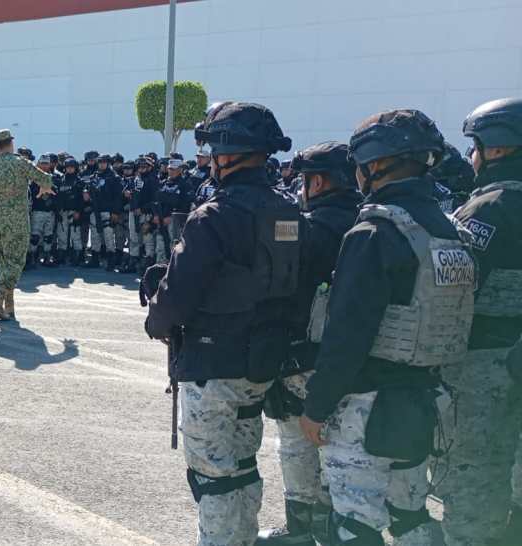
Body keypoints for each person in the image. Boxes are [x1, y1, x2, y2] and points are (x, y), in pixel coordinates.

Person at [300, 109, 473, 545]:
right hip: (424, 399)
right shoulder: (450, 230)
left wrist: (317, 407)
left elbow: (347, 333)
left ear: (373, 164)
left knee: (354, 527)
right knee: (410, 516)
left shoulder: (376, 231)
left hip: (366, 404)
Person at [145, 102, 298, 546]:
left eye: (213, 150)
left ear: (227, 154)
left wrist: (155, 321)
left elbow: (176, 297)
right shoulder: (287, 211)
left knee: (212, 476)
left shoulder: (214, 215)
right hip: (263, 363)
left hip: (214, 364)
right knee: (243, 464)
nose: (210, 159)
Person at [256, 142, 361, 546]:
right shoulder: (370, 220)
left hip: (304, 358)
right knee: (342, 451)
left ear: (316, 182)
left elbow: (280, 292)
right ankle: (330, 528)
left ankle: (302, 530)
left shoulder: (308, 228)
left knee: (298, 444)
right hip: (355, 360)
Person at [439, 98, 522, 546]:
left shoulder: (489, 208)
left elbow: (455, 288)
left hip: (488, 365)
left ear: (495, 149)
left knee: (474, 474)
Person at [0, 129, 52, 321]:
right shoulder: (20, 162)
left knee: (4, 263)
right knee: (16, 263)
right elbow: (44, 177)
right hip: (16, 221)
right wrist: (44, 188)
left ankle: (8, 308)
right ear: (10, 143)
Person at [83, 155, 123, 271]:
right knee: (95, 235)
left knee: (108, 236)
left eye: (104, 162)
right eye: (100, 162)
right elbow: (87, 187)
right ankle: (95, 259)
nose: (102, 164)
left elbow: (118, 197)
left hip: (107, 210)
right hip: (95, 210)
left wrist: (115, 212)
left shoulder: (114, 177)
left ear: (108, 163)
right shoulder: (94, 176)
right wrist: (85, 191)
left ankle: (111, 261)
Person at [151, 159, 194, 263]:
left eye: (174, 169)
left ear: (180, 170)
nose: (171, 171)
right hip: (161, 219)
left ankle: (173, 270)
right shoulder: (163, 183)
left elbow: (186, 205)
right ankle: (159, 268)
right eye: (170, 169)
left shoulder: (185, 185)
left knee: (174, 247)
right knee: (160, 246)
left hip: (175, 222)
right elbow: (156, 200)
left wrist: (172, 217)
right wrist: (156, 214)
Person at [125, 156, 159, 272]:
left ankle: (149, 264)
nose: (142, 168)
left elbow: (155, 199)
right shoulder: (135, 179)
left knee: (147, 238)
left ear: (150, 167)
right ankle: (133, 261)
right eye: (140, 166)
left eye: (145, 166)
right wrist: (127, 193)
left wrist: (143, 209)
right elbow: (127, 190)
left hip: (146, 213)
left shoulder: (153, 180)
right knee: (133, 237)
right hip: (133, 212)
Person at [53, 157, 84, 267]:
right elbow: (57, 197)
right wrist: (58, 210)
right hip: (63, 211)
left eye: (72, 167)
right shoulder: (60, 180)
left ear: (75, 168)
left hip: (74, 211)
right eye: (68, 167)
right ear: (65, 168)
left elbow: (81, 199)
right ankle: (61, 256)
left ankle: (77, 257)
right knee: (62, 234)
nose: (70, 169)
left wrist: (78, 211)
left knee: (75, 235)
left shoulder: (79, 181)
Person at [28, 155, 57, 268]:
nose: (45, 166)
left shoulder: (54, 177)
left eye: (46, 163)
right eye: (42, 163)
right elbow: (31, 192)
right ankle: (32, 258)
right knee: (35, 236)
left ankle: (46, 258)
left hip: (50, 211)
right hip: (37, 211)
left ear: (50, 164)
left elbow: (57, 192)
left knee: (48, 236)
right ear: (38, 164)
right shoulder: (33, 177)